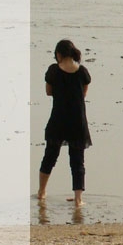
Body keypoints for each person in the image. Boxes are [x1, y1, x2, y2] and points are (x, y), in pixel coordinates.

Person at [37, 39, 92, 206]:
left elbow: (48, 92)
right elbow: (83, 94)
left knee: (50, 156)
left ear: (58, 54)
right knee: (77, 161)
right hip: (77, 121)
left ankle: (42, 192)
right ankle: (78, 199)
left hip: (58, 119)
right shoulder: (82, 72)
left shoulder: (53, 71)